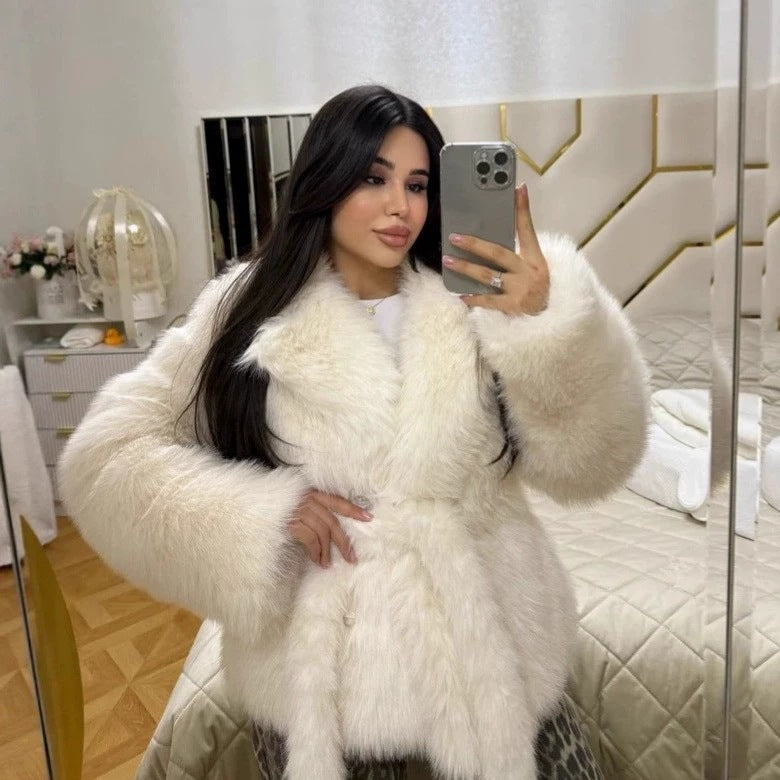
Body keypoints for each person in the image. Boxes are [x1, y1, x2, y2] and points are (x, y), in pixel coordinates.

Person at [59, 84, 648, 779]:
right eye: (374, 178)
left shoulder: (481, 301)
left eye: (418, 185)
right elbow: (105, 455)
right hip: (327, 684)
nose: (402, 207)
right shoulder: (246, 307)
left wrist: (545, 330)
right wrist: (257, 518)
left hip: (495, 657)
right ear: (327, 179)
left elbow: (594, 464)